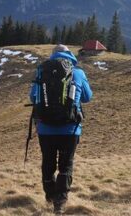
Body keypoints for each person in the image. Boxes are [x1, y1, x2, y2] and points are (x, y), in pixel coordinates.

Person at [29, 44, 93, 214]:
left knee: (48, 163)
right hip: (70, 128)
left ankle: (50, 197)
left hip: (45, 129)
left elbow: (32, 96)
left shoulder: (42, 71)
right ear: (70, 55)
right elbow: (88, 97)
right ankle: (60, 203)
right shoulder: (78, 72)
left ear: (52, 55)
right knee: (66, 165)